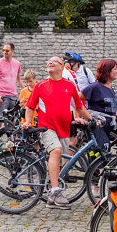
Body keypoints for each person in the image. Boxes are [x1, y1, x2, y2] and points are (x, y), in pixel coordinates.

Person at [22, 56, 93, 210]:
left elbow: (79, 106)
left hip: (64, 129)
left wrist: (91, 119)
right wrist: (27, 121)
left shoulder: (69, 85)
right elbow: (30, 107)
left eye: (54, 61)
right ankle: (55, 191)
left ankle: (51, 199)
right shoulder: (40, 85)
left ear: (62, 67)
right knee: (56, 151)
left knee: (60, 163)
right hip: (46, 127)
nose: (50, 63)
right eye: (48, 62)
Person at [82, 59, 117, 151]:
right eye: (115, 69)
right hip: (97, 125)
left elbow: (112, 108)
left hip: (107, 126)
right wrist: (87, 117)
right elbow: (76, 100)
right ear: (107, 70)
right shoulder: (95, 87)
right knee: (105, 148)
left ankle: (92, 160)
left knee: (100, 151)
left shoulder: (110, 88)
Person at [0, 43, 24, 130]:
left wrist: (26, 90)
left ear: (12, 51)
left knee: (12, 122)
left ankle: (10, 139)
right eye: (3, 50)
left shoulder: (17, 63)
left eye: (7, 50)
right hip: (2, 97)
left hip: (14, 97)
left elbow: (18, 80)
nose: (5, 52)